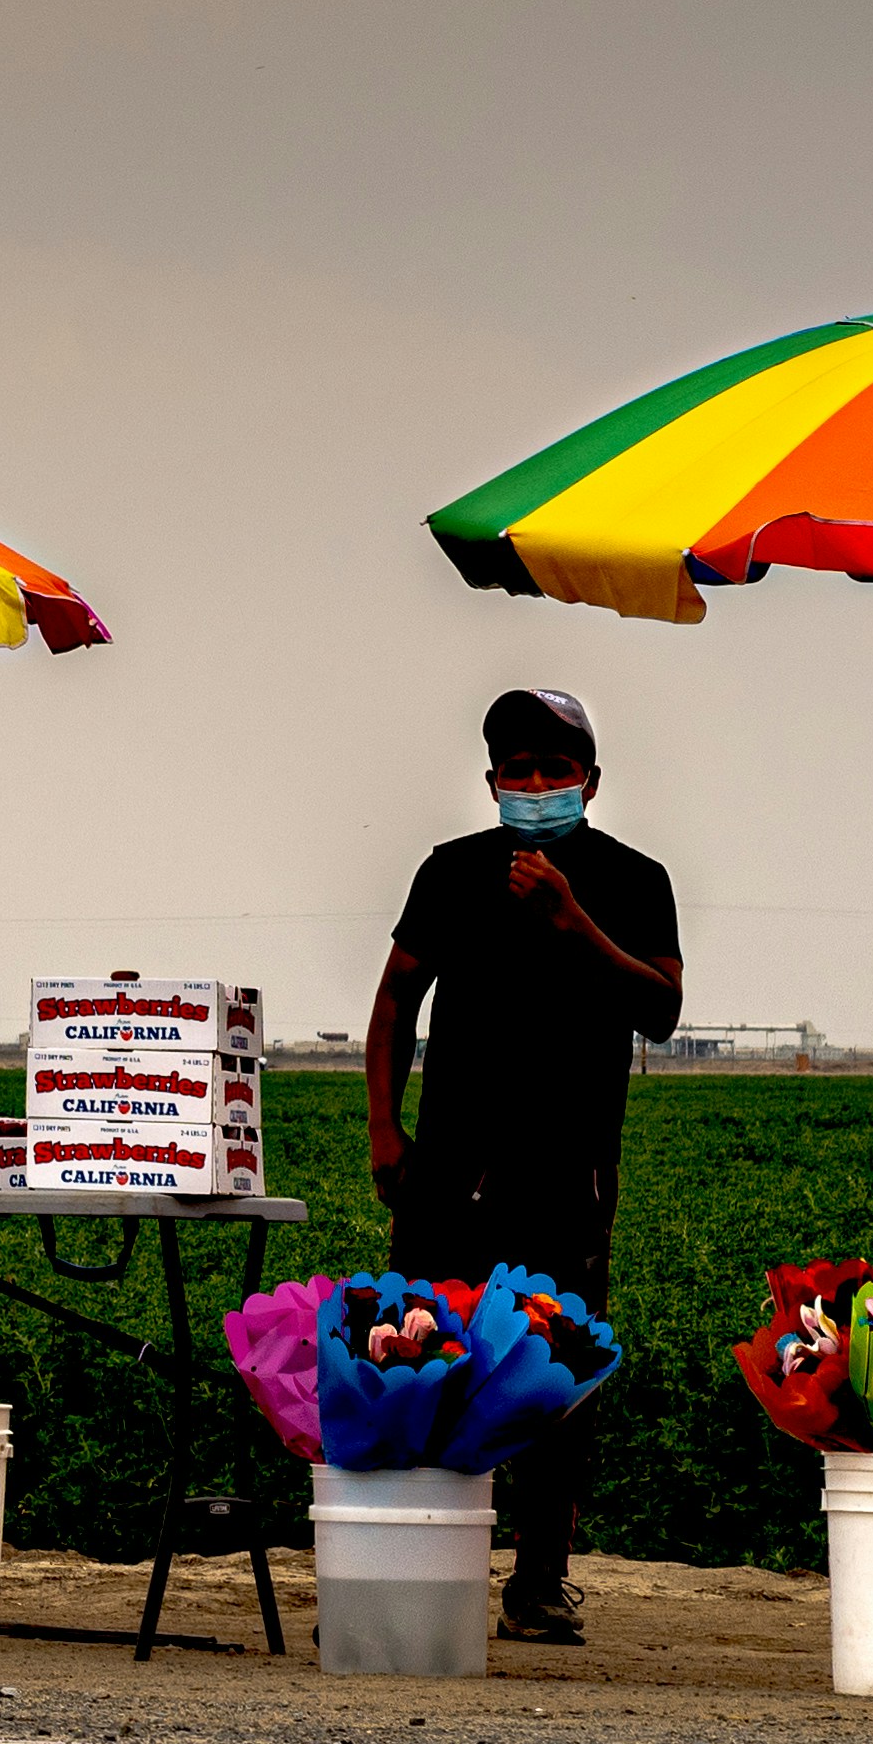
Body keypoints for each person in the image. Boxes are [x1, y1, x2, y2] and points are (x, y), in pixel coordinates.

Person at [361, 683, 683, 1643]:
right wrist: (384, 1130)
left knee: (556, 1376)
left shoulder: (633, 878)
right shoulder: (452, 871)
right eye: (518, 769)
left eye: (556, 768)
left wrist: (571, 917)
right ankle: (423, 1559)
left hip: (567, 1176)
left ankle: (539, 1580)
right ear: (492, 778)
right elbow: (392, 1007)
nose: (536, 784)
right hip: (450, 1171)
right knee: (419, 1359)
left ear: (591, 779)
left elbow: (659, 1010)